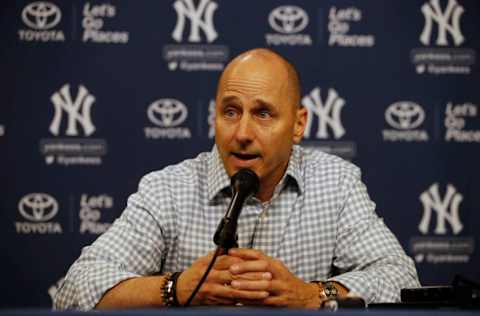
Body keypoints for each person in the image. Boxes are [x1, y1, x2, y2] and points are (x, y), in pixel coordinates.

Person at [54, 48, 420, 310]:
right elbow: (75, 290)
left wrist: (312, 296)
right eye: (230, 111)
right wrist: (175, 288)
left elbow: (401, 279)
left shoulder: (335, 184)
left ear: (297, 124)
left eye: (263, 114)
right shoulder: (168, 189)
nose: (242, 132)